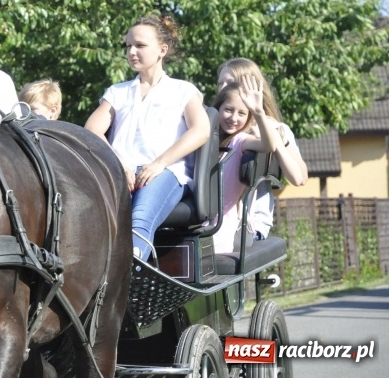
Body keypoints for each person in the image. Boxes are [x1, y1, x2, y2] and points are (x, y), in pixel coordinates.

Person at [85, 13, 210, 260]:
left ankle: (127, 285)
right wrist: (120, 163)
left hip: (166, 173)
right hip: (121, 171)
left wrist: (158, 164)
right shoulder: (117, 92)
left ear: (162, 50)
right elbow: (92, 129)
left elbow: (201, 130)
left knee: (138, 221)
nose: (132, 51)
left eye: (140, 45)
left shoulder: (182, 90)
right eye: (128, 45)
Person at [217, 58, 308, 240]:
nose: (223, 88)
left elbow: (299, 178)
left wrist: (274, 139)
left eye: (230, 82)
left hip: (247, 225)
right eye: (221, 83)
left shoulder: (273, 129)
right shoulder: (216, 124)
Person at [212, 77, 282, 253]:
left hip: (222, 224)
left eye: (242, 113)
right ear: (217, 108)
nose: (233, 118)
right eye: (228, 110)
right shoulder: (208, 140)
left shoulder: (240, 140)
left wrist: (258, 113)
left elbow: (269, 145)